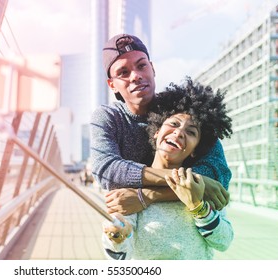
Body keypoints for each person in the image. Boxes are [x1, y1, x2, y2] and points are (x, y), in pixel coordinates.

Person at [90, 34, 231, 214]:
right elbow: (106, 170)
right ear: (112, 85)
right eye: (123, 73)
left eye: (142, 66)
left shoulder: (180, 109)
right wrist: (197, 182)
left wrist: (147, 196)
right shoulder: (108, 117)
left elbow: (218, 173)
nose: (135, 76)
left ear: (152, 68)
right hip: (130, 229)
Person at [102, 77, 234, 259]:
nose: (179, 133)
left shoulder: (202, 190)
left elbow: (224, 242)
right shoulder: (128, 190)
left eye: (191, 132)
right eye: (173, 124)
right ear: (156, 131)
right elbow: (119, 256)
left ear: (196, 150)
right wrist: (116, 238)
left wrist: (198, 208)